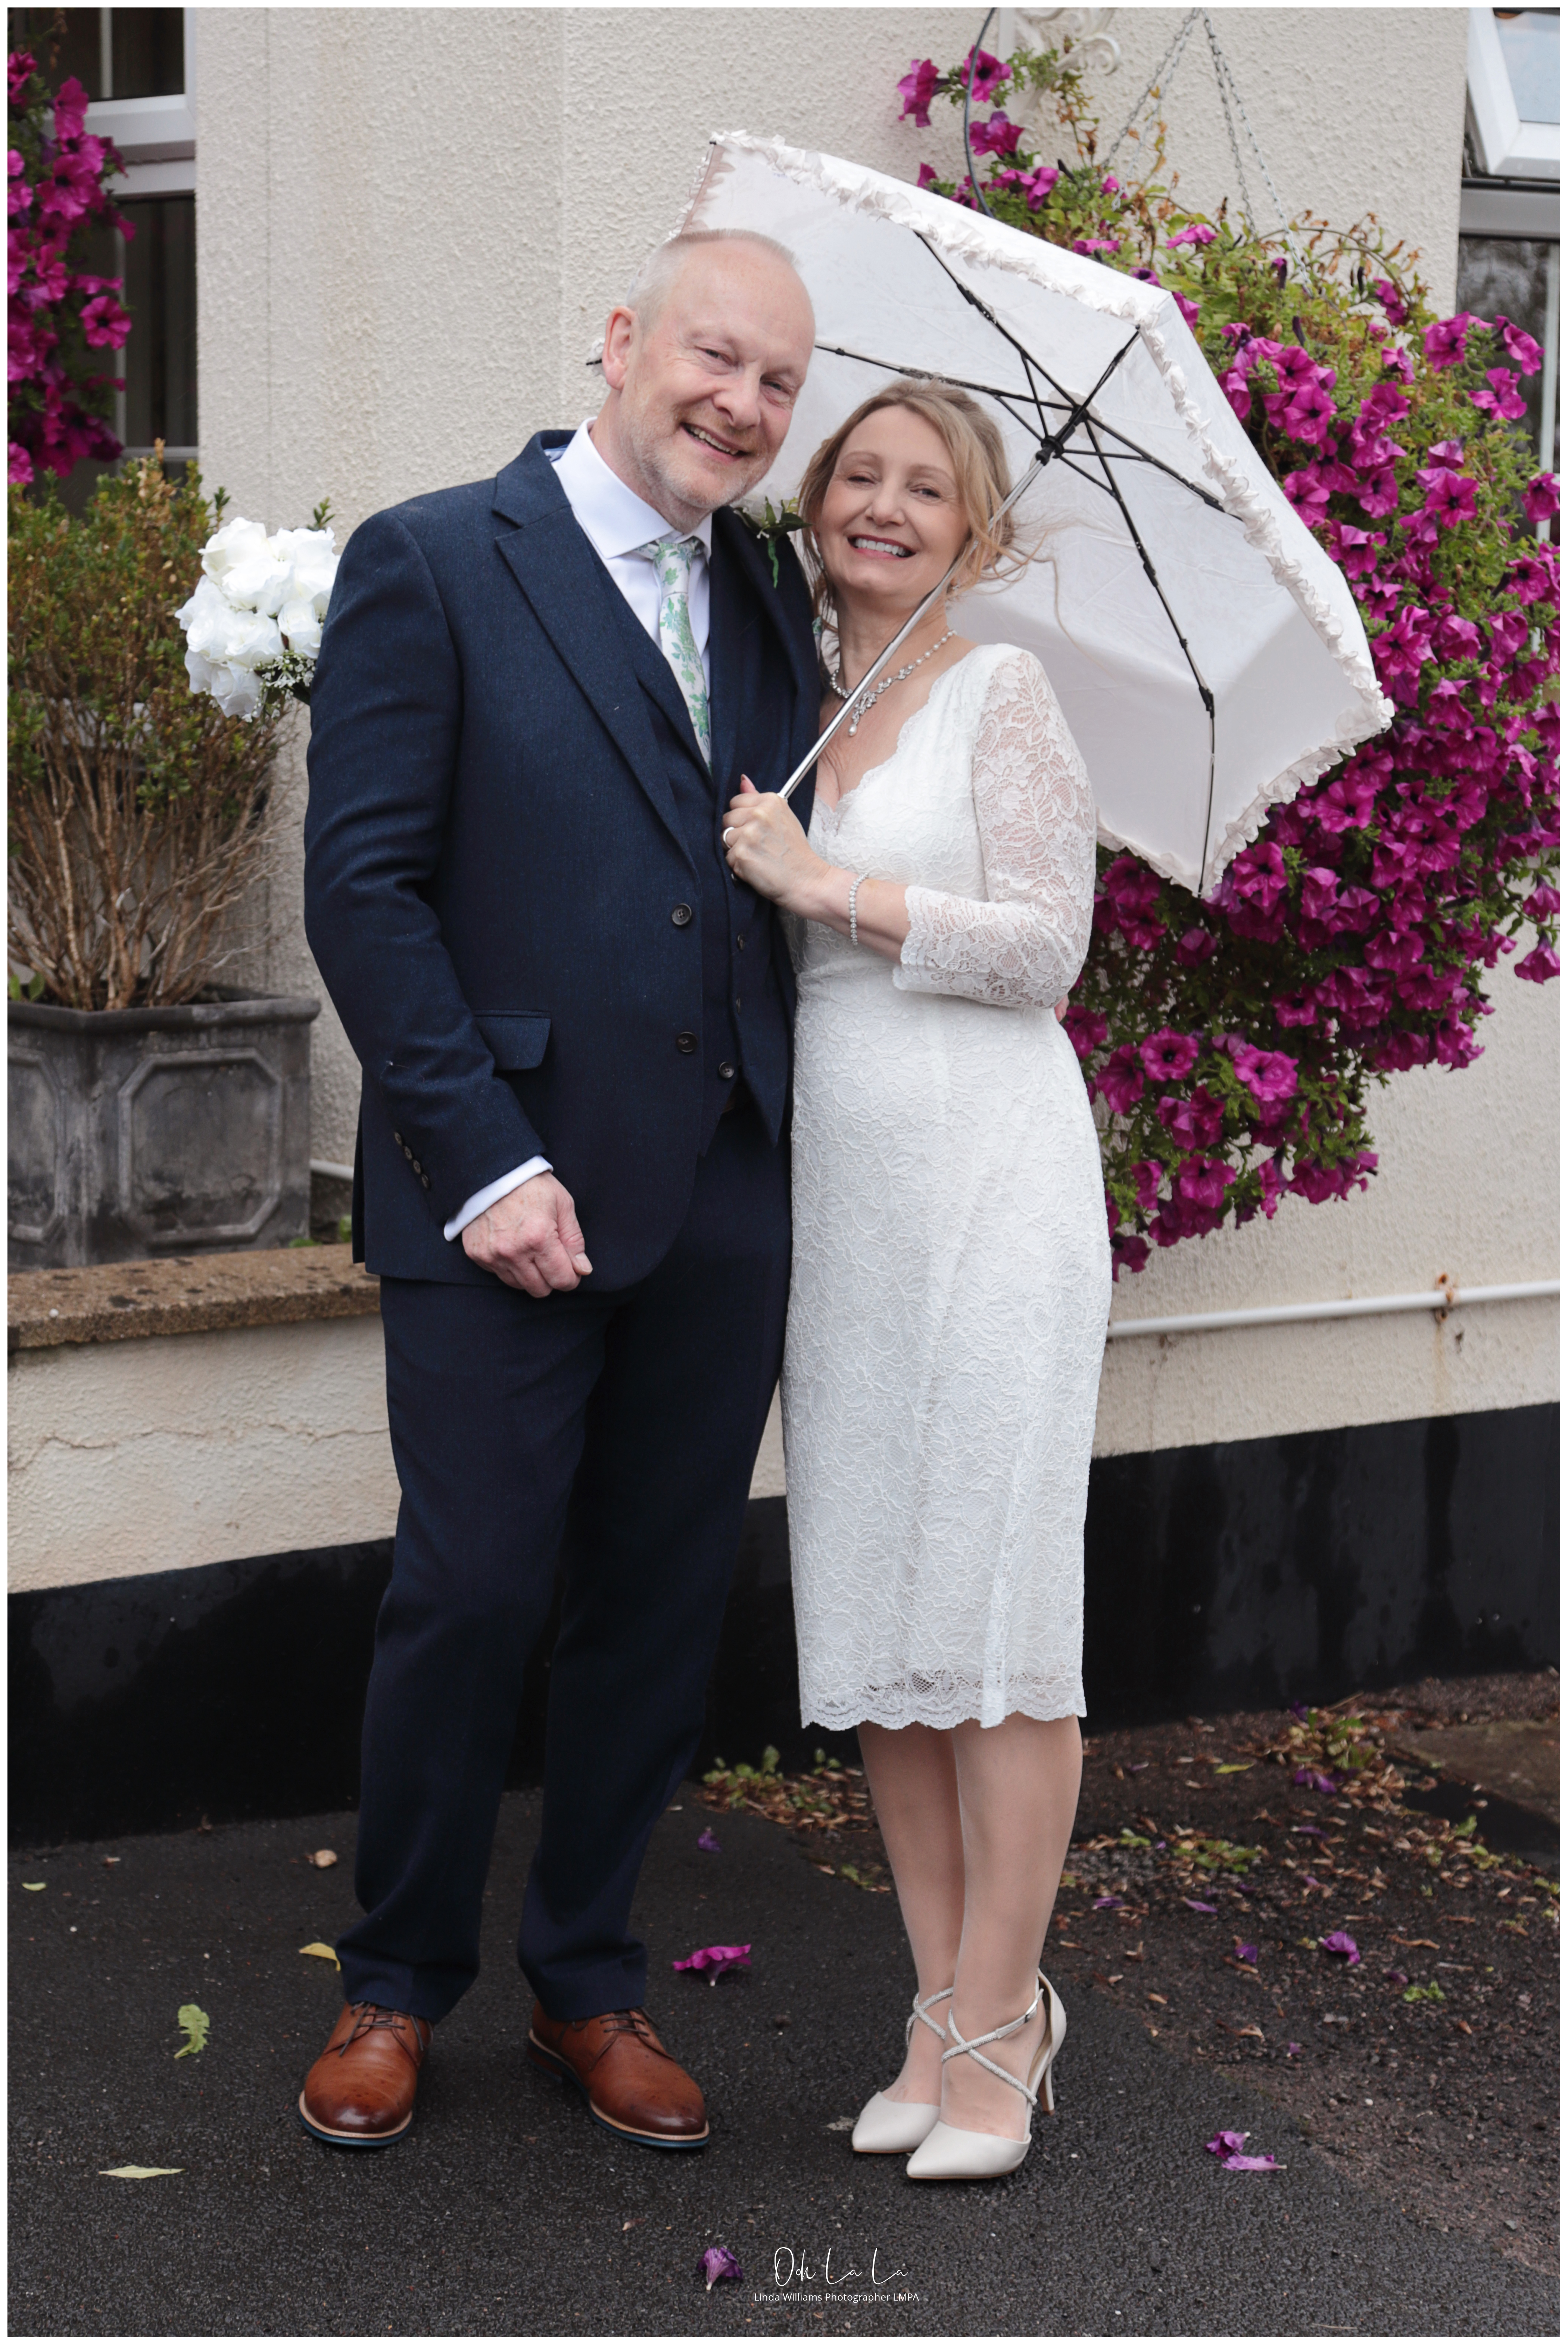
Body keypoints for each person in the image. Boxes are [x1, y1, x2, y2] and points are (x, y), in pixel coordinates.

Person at [297, 229, 819, 2152]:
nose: (741, 405)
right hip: (497, 1187)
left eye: (777, 383)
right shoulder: (435, 559)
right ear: (619, 339)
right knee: (472, 1587)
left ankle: (586, 1973)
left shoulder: (766, 588)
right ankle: (390, 1978)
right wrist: (483, 1159)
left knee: (659, 1603)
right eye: (714, 355)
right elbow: (363, 888)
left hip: (722, 1188)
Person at [721, 380, 1110, 2182]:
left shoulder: (997, 690)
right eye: (858, 476)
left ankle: (1001, 2021)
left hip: (994, 1183)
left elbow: (1047, 946)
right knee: (884, 1621)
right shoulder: (785, 705)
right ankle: (939, 2005)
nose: (884, 505)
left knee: (997, 1609)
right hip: (849, 1206)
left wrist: (834, 890)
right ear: (816, 505)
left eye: (925, 487)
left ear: (975, 528)